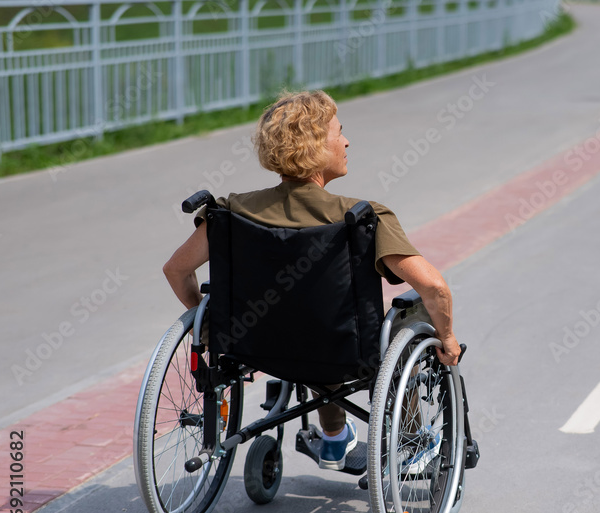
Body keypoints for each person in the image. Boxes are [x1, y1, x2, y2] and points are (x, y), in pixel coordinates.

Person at [163, 89, 458, 471]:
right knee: (405, 321)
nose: (347, 140)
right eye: (339, 132)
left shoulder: (231, 212)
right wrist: (447, 339)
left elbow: (176, 269)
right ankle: (413, 436)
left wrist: (212, 321)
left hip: (252, 346)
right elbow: (434, 287)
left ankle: (335, 440)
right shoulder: (361, 216)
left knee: (319, 335)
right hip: (339, 349)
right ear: (317, 147)